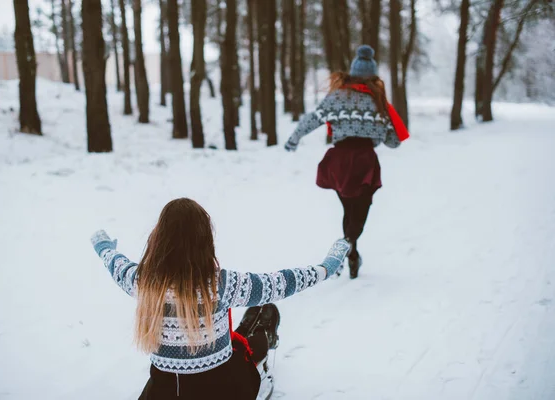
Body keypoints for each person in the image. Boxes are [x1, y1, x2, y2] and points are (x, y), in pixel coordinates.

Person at [90, 198, 350, 399]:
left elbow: (116, 264)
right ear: (204, 239)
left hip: (165, 391)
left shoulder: (143, 281)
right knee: (258, 330)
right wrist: (326, 267)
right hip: (224, 390)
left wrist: (103, 246)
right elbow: (281, 283)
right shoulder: (219, 285)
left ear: (159, 238)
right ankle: (263, 359)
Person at [284, 45, 409, 279]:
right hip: (364, 161)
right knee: (360, 212)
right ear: (372, 77)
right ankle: (346, 246)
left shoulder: (336, 96)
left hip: (339, 161)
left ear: (351, 73)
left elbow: (313, 119)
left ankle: (351, 253)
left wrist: (294, 138)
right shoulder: (378, 102)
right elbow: (394, 142)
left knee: (349, 210)